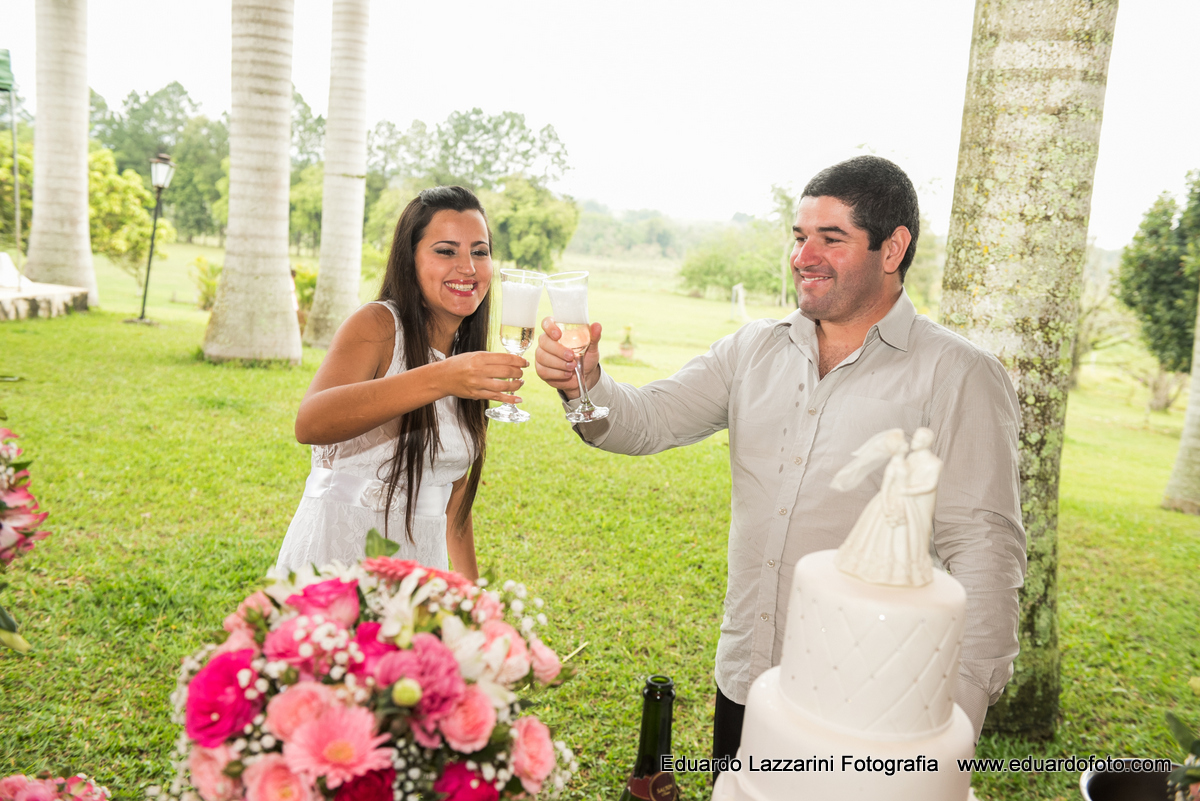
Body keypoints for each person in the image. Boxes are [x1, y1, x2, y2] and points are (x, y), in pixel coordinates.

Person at [534, 156, 1026, 770]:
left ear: (893, 248)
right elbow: (644, 420)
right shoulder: (752, 350)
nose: (803, 256)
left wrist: (952, 730)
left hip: (869, 706)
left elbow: (985, 555)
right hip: (748, 683)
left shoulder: (959, 374)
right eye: (799, 236)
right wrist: (582, 384)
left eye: (831, 238)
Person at [276, 186, 527, 580]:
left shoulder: (466, 356)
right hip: (337, 565)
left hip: (420, 574)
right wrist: (443, 377)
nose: (468, 267)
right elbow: (309, 424)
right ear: (410, 260)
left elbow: (454, 496)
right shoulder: (378, 325)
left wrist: (472, 596)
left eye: (480, 252)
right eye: (446, 251)